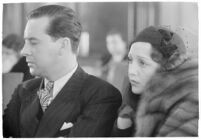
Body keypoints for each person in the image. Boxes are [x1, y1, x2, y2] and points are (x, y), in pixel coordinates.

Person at [3, 5, 122, 137]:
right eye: (25, 42)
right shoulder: (23, 90)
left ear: (62, 45)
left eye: (33, 42)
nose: (23, 51)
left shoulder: (102, 95)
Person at [112, 26, 198, 137]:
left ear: (168, 67)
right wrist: (122, 128)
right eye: (130, 60)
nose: (132, 72)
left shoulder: (190, 107)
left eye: (142, 63)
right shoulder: (130, 103)